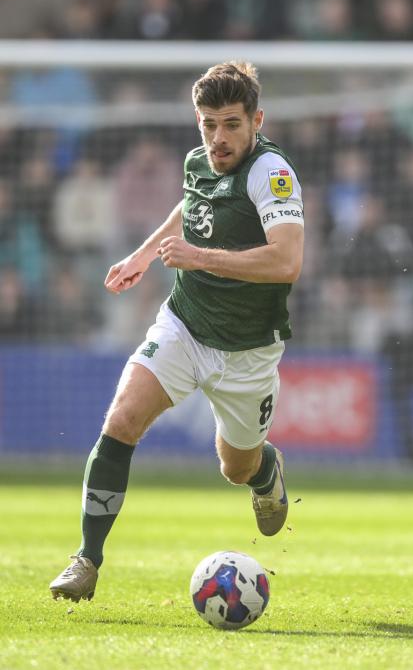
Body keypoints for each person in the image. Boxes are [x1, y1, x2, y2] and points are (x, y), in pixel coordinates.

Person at [49, 61, 305, 602]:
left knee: (235, 467)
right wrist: (143, 255)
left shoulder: (271, 173)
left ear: (257, 120)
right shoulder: (198, 161)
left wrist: (199, 257)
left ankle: (266, 472)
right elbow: (192, 206)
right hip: (185, 324)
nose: (218, 137)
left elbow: (287, 261)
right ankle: (86, 560)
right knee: (121, 419)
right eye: (208, 124)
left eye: (231, 124)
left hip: (248, 351)